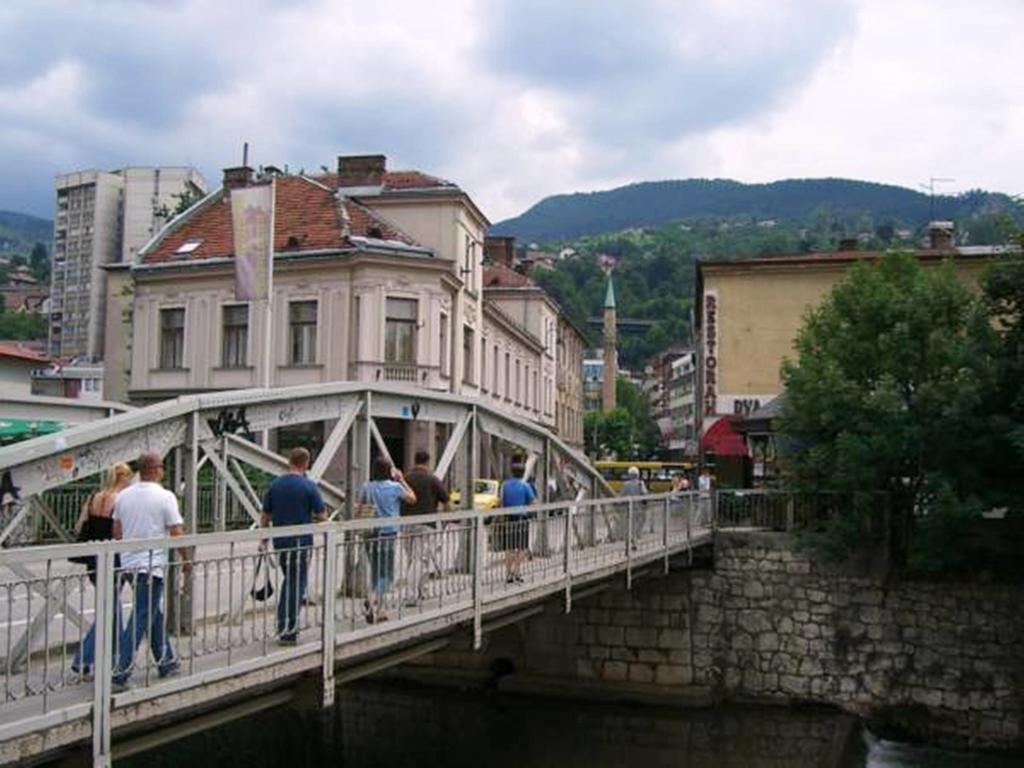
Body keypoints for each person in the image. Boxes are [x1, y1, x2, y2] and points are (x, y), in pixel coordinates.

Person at [112, 453, 189, 688]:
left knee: (152, 612)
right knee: (141, 616)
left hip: (129, 563)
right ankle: (120, 671)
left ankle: (166, 661)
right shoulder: (165, 496)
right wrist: (186, 559)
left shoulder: (123, 496)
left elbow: (117, 531)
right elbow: (176, 531)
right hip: (151, 565)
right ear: (157, 469)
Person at [71, 463, 133, 679]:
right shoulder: (121, 500)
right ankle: (85, 659)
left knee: (111, 608)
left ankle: (109, 659)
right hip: (113, 558)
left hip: (93, 560)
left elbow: (79, 527)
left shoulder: (94, 498)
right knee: (111, 611)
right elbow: (120, 532)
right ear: (123, 477)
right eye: (129, 476)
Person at [260, 447, 327, 645]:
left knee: (289, 579)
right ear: (306, 463)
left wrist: (263, 539)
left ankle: (284, 626)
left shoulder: (275, 485)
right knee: (296, 583)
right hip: (301, 541)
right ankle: (288, 630)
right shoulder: (309, 486)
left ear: (290, 461)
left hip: (280, 541)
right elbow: (322, 515)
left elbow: (265, 517)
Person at [359, 457, 416, 623]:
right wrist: (402, 479)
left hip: (370, 533)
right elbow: (412, 498)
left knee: (376, 570)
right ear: (389, 471)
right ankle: (373, 600)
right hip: (388, 532)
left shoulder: (366, 487)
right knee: (387, 573)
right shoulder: (395, 487)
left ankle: (381, 609)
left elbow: (360, 506)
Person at [400, 450, 450, 606]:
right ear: (428, 462)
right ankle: (411, 595)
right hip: (427, 525)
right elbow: (447, 503)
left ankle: (422, 590)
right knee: (420, 560)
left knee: (414, 559)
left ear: (414, 461)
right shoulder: (432, 480)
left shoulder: (405, 479)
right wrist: (446, 517)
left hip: (407, 524)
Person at [497, 463, 535, 584]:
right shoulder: (525, 486)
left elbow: (500, 502)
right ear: (524, 473)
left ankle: (508, 574)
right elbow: (533, 502)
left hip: (508, 519)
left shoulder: (504, 485)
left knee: (509, 548)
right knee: (522, 548)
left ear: (511, 472)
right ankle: (517, 572)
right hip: (522, 519)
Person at [620, 466, 648, 546]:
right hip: (640, 508)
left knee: (631, 525)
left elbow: (621, 496)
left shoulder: (626, 485)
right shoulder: (641, 484)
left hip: (630, 508)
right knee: (638, 524)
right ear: (638, 475)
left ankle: (633, 540)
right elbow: (645, 494)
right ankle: (636, 540)